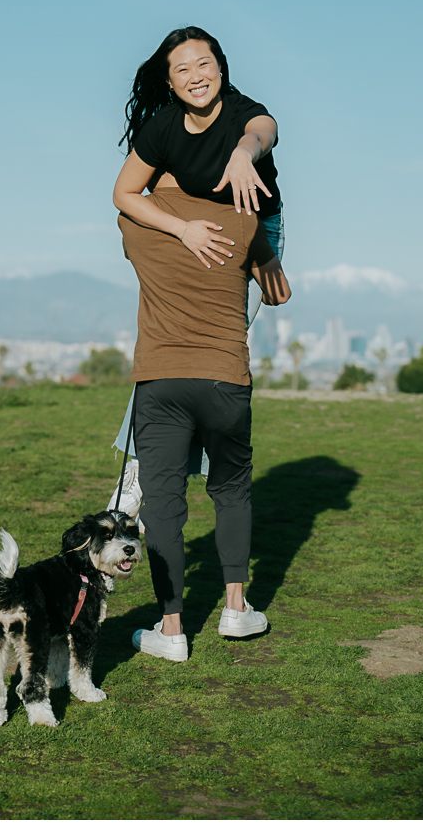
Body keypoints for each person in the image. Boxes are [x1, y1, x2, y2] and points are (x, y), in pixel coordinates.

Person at [109, 26, 284, 511]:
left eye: (203, 64)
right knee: (172, 350)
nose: (195, 75)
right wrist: (182, 229)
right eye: (181, 69)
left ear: (221, 68)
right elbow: (124, 195)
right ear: (169, 82)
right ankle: (144, 472)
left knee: (213, 361)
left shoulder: (245, 114)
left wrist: (245, 153)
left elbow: (263, 131)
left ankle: (200, 475)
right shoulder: (163, 127)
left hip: (256, 233)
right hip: (200, 232)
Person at [115, 184, 291, 660]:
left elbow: (131, 211)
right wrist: (261, 248)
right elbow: (278, 293)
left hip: (161, 379)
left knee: (165, 505)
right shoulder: (241, 221)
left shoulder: (135, 222)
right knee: (232, 491)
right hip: (225, 381)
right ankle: (236, 609)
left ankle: (171, 630)